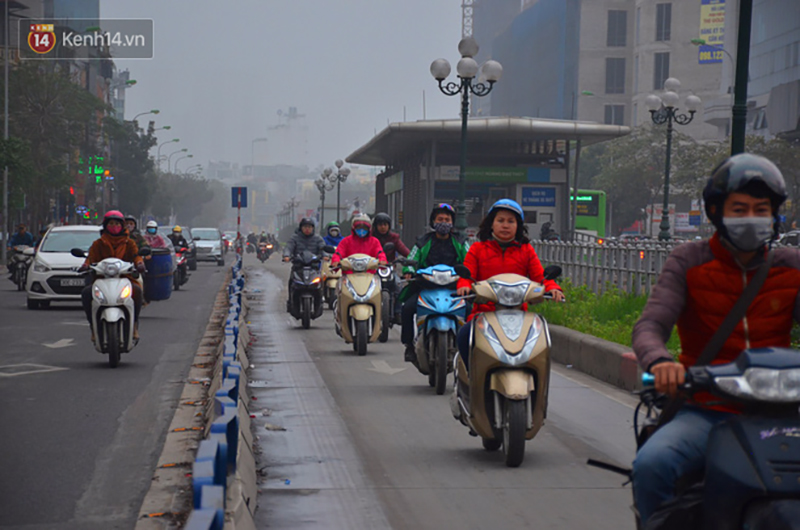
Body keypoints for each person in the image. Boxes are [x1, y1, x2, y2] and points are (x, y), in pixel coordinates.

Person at [630, 153, 800, 525]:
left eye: (761, 208)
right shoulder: (689, 261)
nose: (751, 218)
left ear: (775, 215)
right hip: (708, 408)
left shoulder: (792, 266)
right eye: (739, 209)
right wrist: (661, 363)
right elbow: (650, 325)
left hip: (786, 413)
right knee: (653, 464)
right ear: (716, 212)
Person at [454, 199, 564, 372]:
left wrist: (552, 288)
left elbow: (541, 277)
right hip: (484, 314)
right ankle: (471, 379)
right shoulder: (477, 249)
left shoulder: (526, 250)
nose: (505, 225)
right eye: (500, 220)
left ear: (518, 226)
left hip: (520, 317)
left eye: (511, 221)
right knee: (463, 336)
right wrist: (464, 285)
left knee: (542, 343)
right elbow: (467, 275)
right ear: (491, 224)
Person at [399, 203, 469, 361]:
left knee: (472, 309)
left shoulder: (461, 241)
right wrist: (409, 272)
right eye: (440, 219)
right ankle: (409, 346)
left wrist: (470, 275)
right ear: (433, 221)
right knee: (407, 309)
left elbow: (470, 260)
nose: (443, 222)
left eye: (447, 219)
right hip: (425, 286)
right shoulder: (422, 241)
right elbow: (412, 258)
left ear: (452, 223)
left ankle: (470, 347)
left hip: (455, 289)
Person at [78, 211, 146, 341]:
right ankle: (93, 327)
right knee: (87, 293)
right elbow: (91, 258)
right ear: (105, 225)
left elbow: (136, 255)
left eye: (116, 223)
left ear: (122, 226)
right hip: (102, 279)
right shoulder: (98, 243)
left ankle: (135, 325)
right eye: (111, 223)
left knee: (136, 291)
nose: (114, 226)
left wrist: (140, 263)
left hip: (125, 278)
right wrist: (86, 265)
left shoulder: (129, 243)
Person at [282, 218, 327, 311]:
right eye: (305, 227)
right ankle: (291, 302)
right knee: (292, 282)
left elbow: (323, 249)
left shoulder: (317, 239)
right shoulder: (295, 238)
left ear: (313, 228)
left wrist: (325, 256)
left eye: (309, 227)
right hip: (298, 267)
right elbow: (289, 247)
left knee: (320, 283)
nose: (307, 229)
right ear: (301, 228)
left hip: (313, 268)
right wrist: (287, 255)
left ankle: (320, 302)